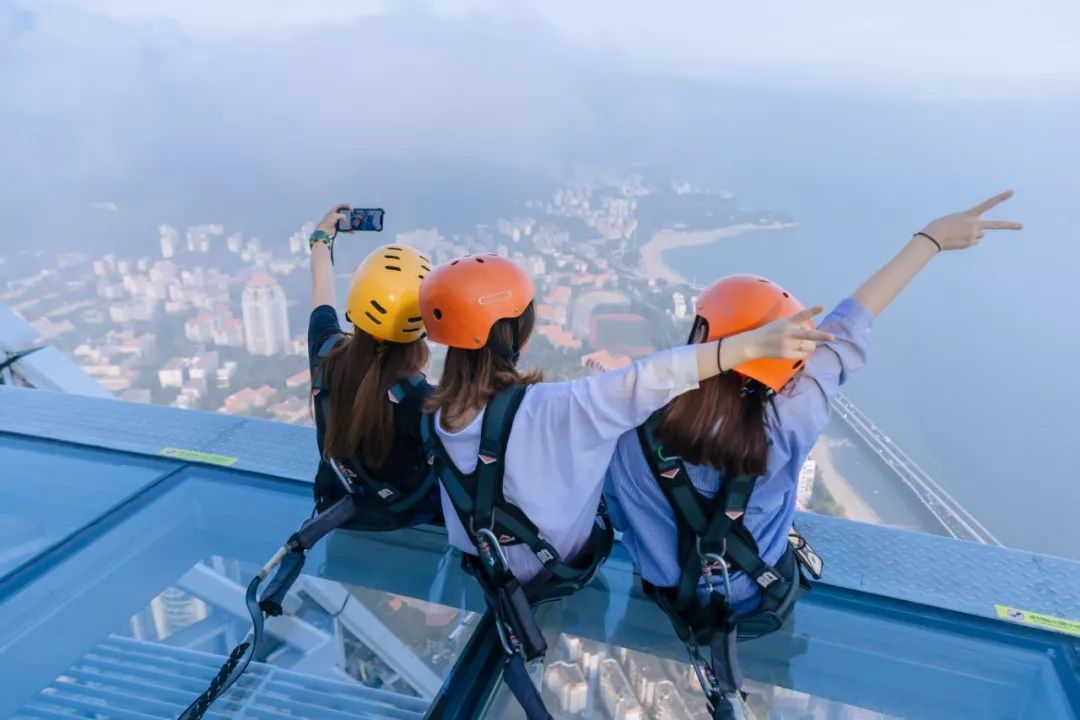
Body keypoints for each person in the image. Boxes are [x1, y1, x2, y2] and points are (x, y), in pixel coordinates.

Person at [602, 191, 1023, 719]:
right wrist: (931, 240)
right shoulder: (792, 420)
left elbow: (618, 514)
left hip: (666, 601)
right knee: (768, 682)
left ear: (701, 336)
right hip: (761, 605)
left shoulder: (630, 428)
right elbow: (848, 328)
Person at [417, 253, 830, 720]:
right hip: (565, 570)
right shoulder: (553, 408)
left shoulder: (432, 418)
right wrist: (749, 346)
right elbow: (647, 381)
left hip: (485, 569)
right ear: (516, 333)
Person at [307, 203, 440, 529]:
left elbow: (321, 283)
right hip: (411, 531)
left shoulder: (327, 354)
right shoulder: (427, 403)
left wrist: (323, 235)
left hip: (340, 517)